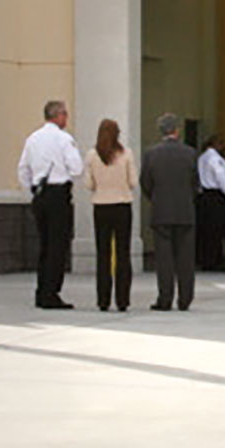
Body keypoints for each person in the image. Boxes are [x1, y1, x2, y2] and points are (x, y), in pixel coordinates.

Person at [18, 99, 84, 310]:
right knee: (58, 245)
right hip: (57, 193)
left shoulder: (32, 139)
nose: (66, 118)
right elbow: (76, 169)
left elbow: (23, 169)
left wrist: (31, 189)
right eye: (65, 114)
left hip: (40, 194)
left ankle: (41, 290)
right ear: (58, 116)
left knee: (44, 245)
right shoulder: (64, 139)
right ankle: (51, 293)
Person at [141, 113, 199, 311]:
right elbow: (195, 184)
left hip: (161, 211)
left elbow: (145, 183)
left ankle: (164, 298)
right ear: (177, 130)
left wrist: (157, 198)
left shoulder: (151, 154)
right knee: (185, 258)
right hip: (184, 211)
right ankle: (185, 299)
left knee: (164, 259)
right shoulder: (190, 153)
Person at [85, 117, 136, 312]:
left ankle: (103, 300)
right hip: (122, 205)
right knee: (123, 253)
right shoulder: (126, 154)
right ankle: (122, 299)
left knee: (103, 253)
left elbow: (88, 184)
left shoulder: (91, 155)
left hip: (101, 205)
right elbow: (133, 182)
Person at [195, 134, 225, 271]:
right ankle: (214, 261)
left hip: (204, 195)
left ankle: (205, 259)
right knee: (216, 229)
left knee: (206, 230)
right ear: (216, 144)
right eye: (222, 144)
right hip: (216, 196)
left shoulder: (202, 158)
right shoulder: (215, 159)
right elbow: (222, 178)